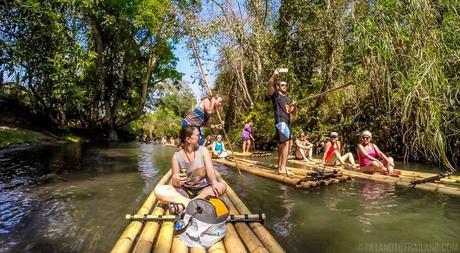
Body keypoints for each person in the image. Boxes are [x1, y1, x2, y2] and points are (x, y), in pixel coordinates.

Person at [154, 126, 227, 214]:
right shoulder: (176, 156)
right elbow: (175, 183)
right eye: (197, 135)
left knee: (222, 186)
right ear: (188, 139)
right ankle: (194, 204)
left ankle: (185, 205)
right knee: (158, 190)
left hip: (204, 190)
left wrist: (214, 182)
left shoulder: (203, 150)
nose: (200, 137)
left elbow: (210, 171)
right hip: (185, 191)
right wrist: (175, 179)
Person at [268, 68, 297, 176]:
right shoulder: (276, 96)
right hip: (281, 121)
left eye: (286, 85)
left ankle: (281, 165)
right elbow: (270, 85)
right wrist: (274, 75)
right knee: (285, 144)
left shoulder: (288, 99)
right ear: (279, 87)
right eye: (282, 85)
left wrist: (294, 106)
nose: (285, 86)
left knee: (288, 145)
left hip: (288, 122)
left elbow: (293, 113)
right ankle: (282, 168)